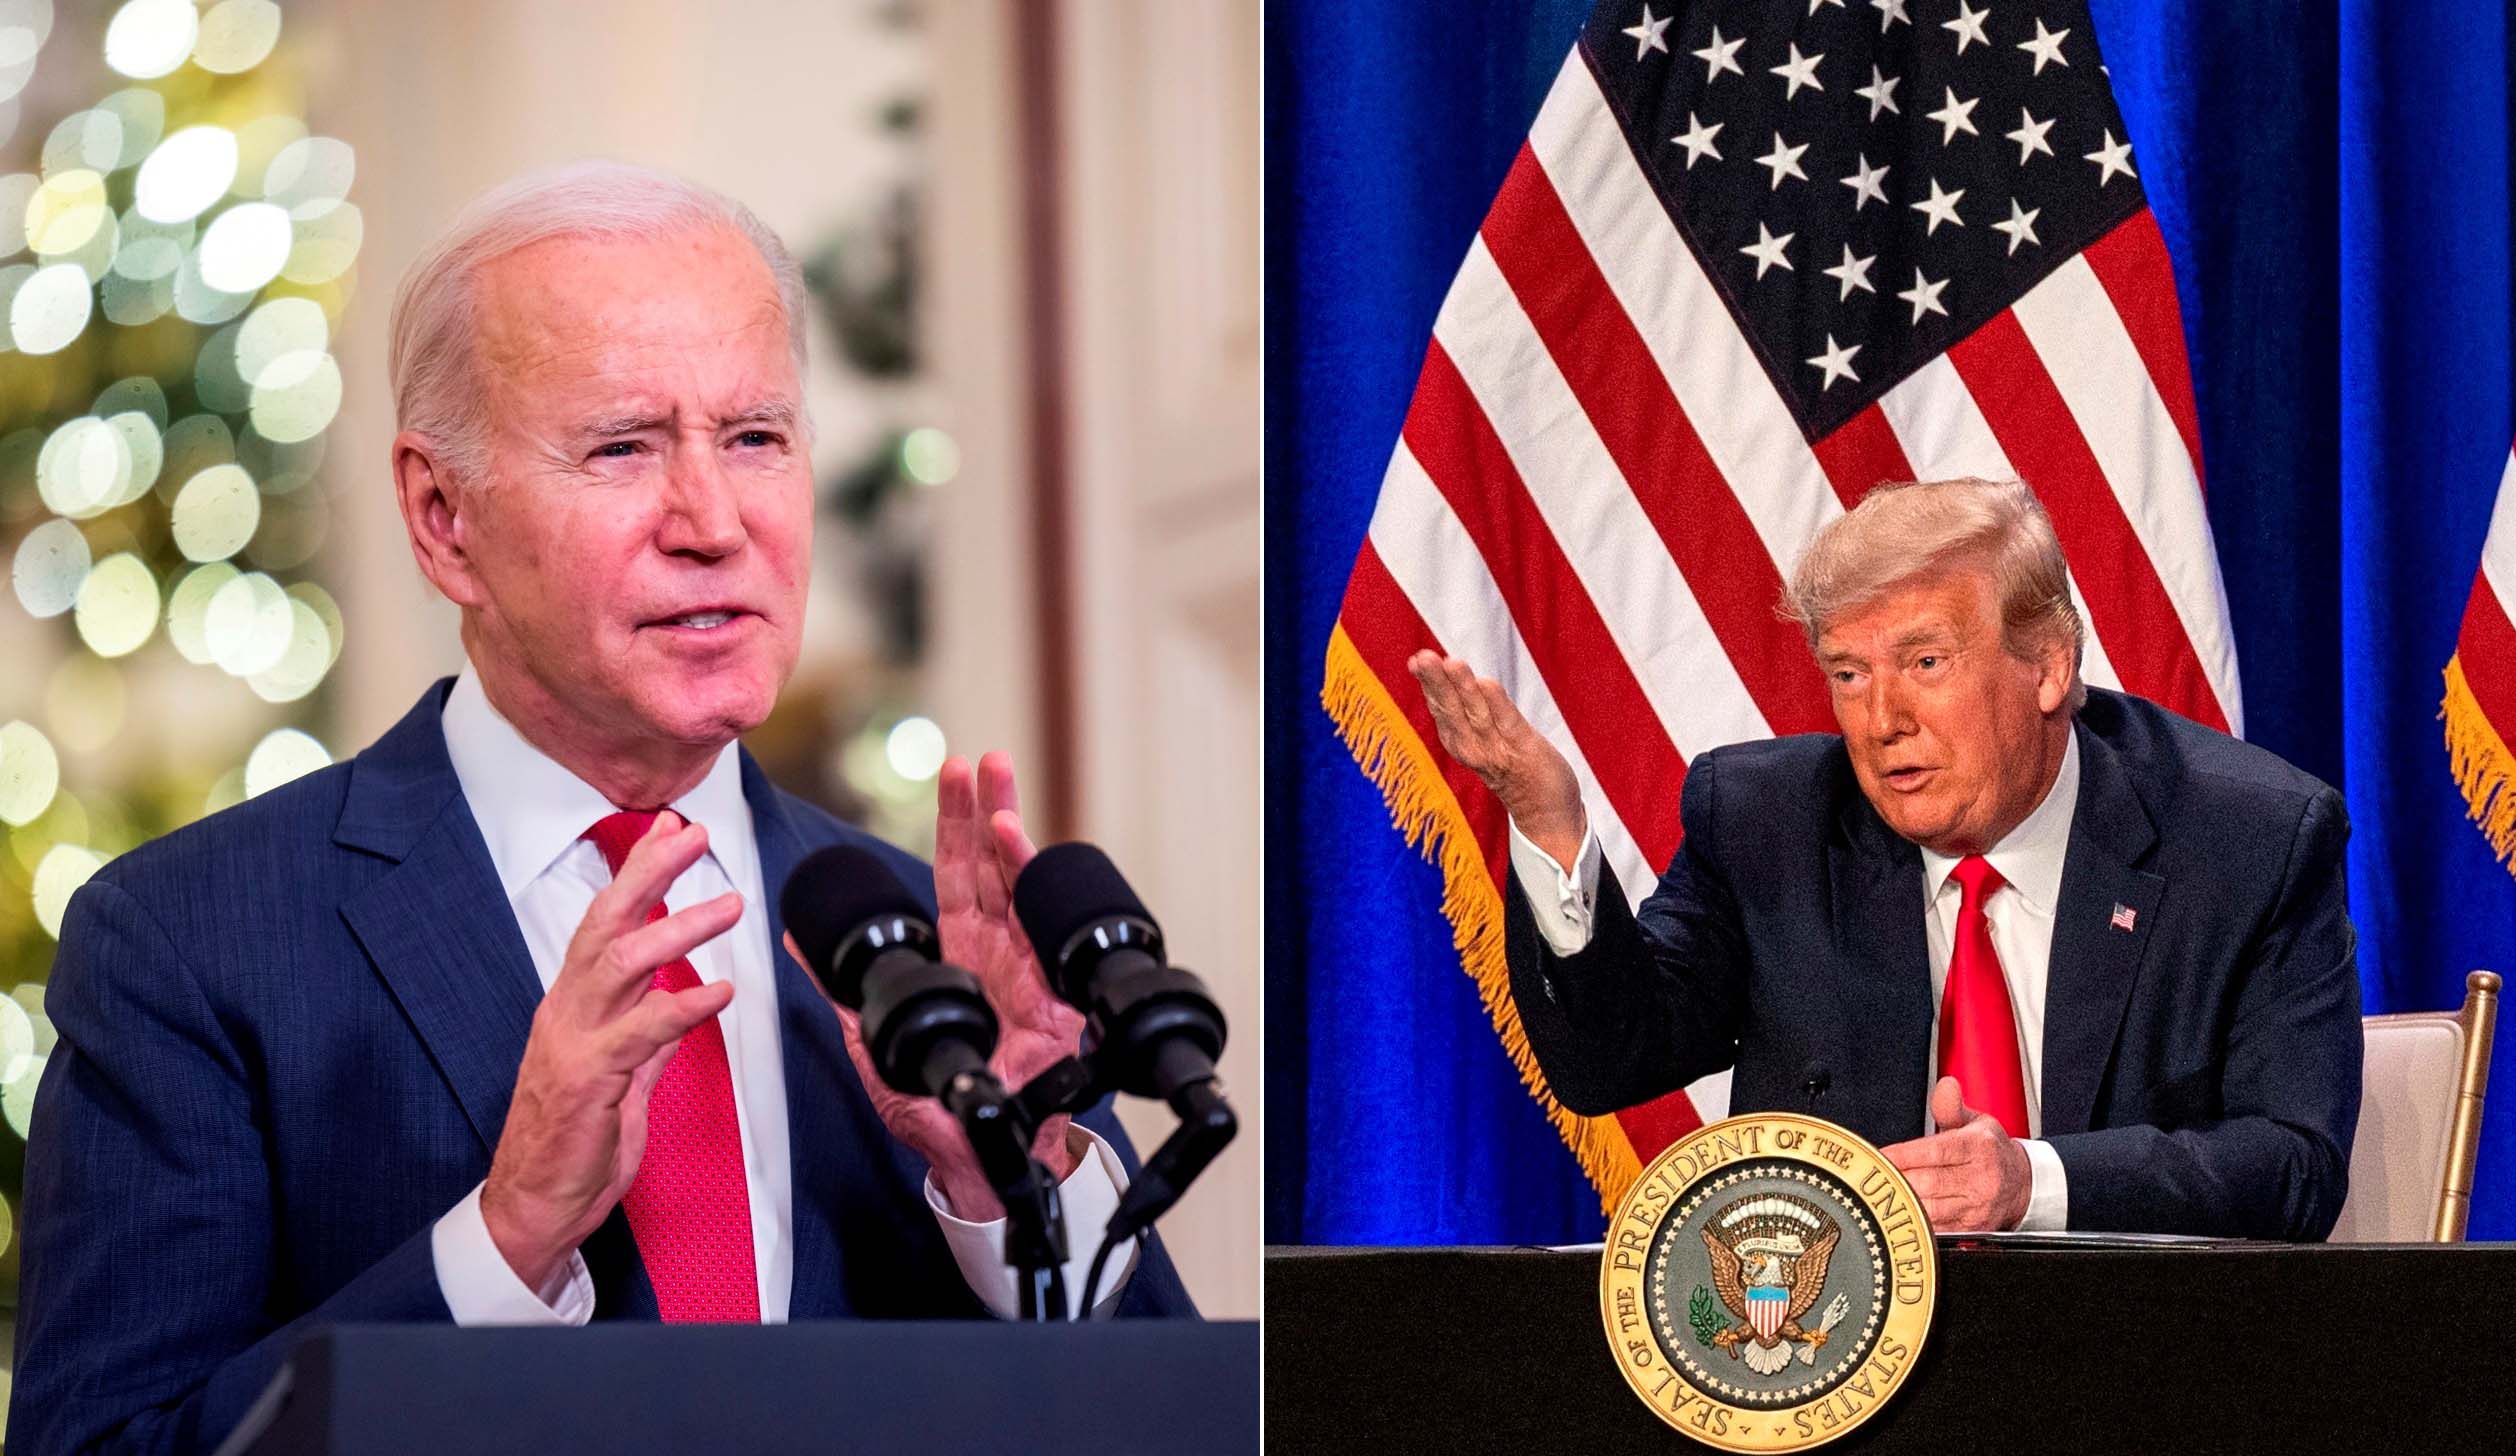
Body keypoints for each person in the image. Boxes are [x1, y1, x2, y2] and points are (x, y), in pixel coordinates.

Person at [10, 163, 1192, 1455]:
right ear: (442, 516)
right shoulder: (193, 940)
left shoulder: (918, 951)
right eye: (623, 447)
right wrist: (504, 1238)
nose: (713, 521)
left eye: (755, 438)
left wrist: (1010, 1186)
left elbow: (1174, 1426)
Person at [1412, 478, 2360, 1240]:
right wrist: (1548, 824)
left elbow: (2295, 1167)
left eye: (1926, 664)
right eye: (1849, 674)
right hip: (1838, 1374)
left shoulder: (2247, 840)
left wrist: (2033, 1182)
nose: (1882, 720)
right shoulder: (1771, 824)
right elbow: (1608, 1059)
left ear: (2049, 666)